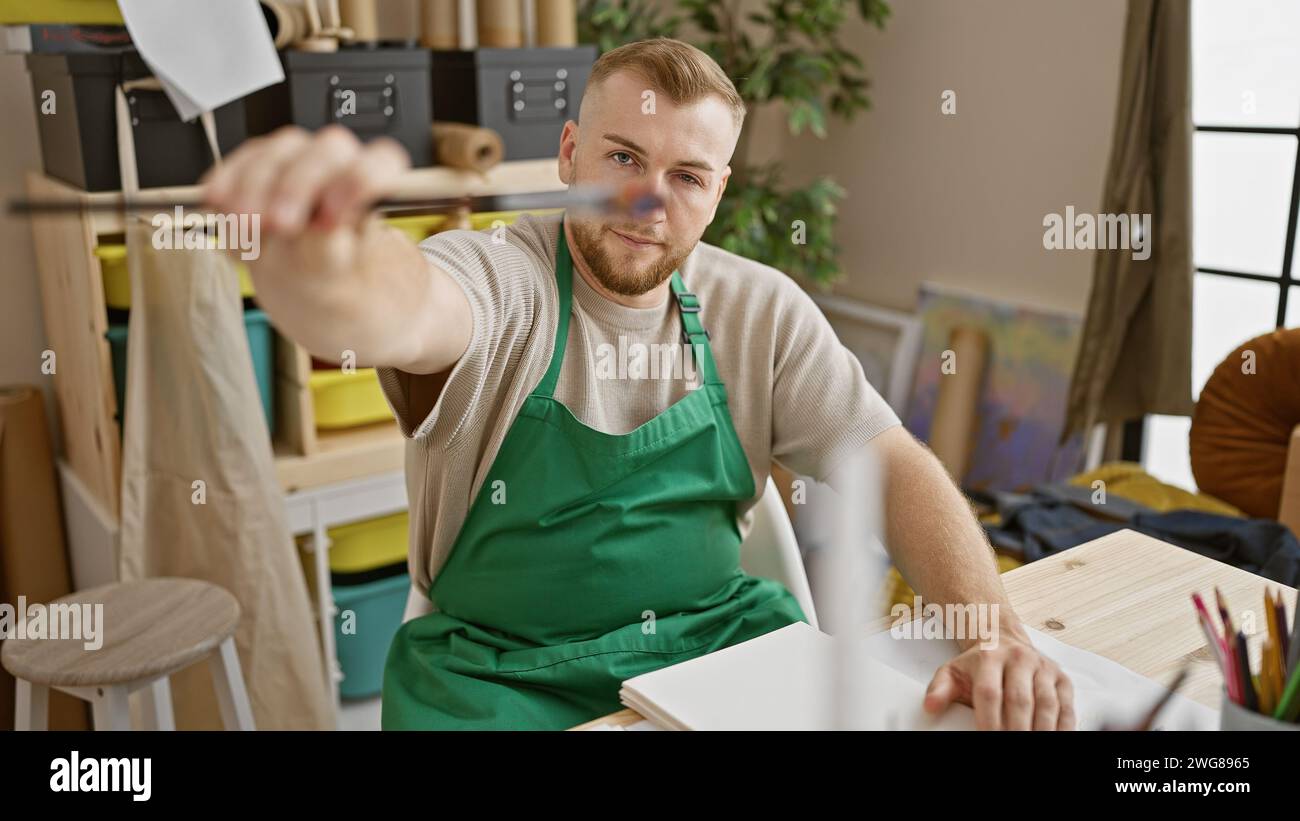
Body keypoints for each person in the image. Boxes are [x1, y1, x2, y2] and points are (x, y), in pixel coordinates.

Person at [200, 37, 1075, 730]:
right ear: (571, 153)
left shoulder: (760, 311)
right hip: (497, 680)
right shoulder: (501, 275)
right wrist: (323, 259)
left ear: (718, 192)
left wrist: (993, 636)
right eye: (624, 157)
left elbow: (889, 462)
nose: (648, 202)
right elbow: (403, 304)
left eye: (686, 176)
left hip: (719, 653)